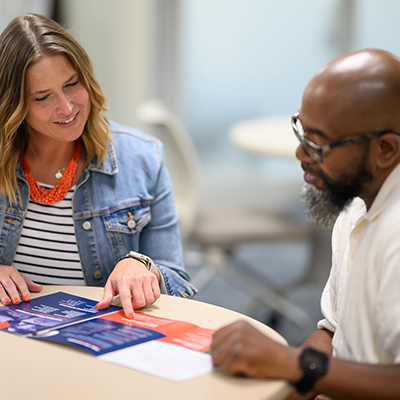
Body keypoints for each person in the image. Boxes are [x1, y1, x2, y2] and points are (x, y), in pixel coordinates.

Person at [211, 48, 400, 400]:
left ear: (385, 150)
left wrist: (290, 363)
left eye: (319, 143)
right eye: (301, 130)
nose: (301, 153)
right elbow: (333, 333)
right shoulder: (355, 203)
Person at [0, 13, 197, 319]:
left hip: (100, 341)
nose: (66, 108)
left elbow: (178, 281)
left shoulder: (142, 158)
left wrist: (145, 268)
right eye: (42, 98)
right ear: (14, 106)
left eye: (72, 84)